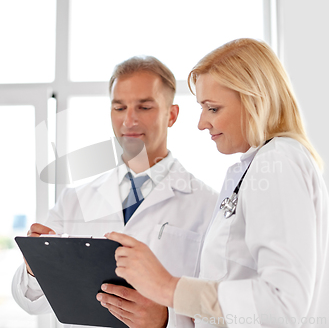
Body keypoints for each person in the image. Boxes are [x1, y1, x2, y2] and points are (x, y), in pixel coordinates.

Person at [106, 39, 329, 328]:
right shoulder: (257, 166)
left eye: (213, 109)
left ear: (255, 101)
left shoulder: (277, 162)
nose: (202, 123)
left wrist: (168, 287)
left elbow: (281, 304)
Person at [12, 56, 219, 328]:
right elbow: (30, 301)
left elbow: (223, 308)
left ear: (172, 114)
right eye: (119, 107)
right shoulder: (74, 200)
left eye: (144, 107)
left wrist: (166, 320)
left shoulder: (209, 205)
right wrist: (34, 267)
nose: (129, 120)